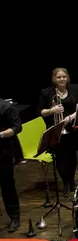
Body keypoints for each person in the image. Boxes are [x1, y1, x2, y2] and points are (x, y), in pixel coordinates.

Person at [38, 68, 78, 193]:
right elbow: (41, 111)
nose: (62, 79)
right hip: (56, 130)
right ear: (54, 79)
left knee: (72, 156)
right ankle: (66, 181)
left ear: (68, 77)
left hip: (73, 128)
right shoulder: (46, 92)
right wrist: (52, 110)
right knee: (60, 157)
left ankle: (71, 180)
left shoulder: (76, 89)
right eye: (58, 77)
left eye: (64, 76)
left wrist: (69, 118)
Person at [0, 98, 23, 232]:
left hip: (3, 153)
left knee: (7, 185)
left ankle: (15, 217)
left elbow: (18, 127)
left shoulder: (6, 107)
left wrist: (1, 134)